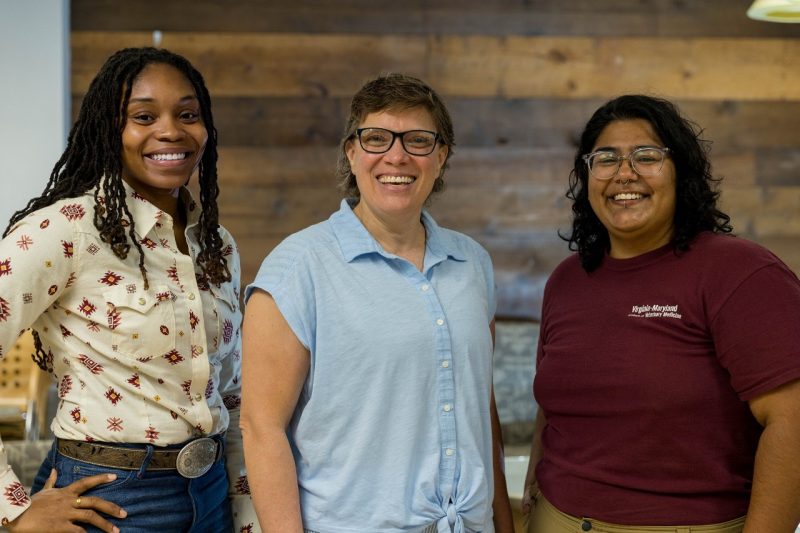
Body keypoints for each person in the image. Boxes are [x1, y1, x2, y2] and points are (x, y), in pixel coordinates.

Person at [241, 73, 514, 533]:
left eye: (418, 140)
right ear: (351, 152)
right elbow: (260, 428)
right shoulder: (298, 268)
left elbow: (480, 411)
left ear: (441, 156)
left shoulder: (472, 263)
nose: (397, 155)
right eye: (376, 138)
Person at [0, 47, 259, 532]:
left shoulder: (217, 245)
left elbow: (231, 391)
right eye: (144, 116)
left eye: (188, 114)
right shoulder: (67, 230)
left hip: (211, 495)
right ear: (108, 129)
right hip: (111, 502)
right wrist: (12, 510)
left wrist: (246, 514)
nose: (171, 131)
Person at [522, 94, 800, 532]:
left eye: (647, 156)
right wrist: (532, 492)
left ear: (682, 172)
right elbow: (551, 406)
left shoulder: (740, 272)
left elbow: (792, 421)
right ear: (586, 175)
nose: (624, 173)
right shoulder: (567, 280)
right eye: (606, 158)